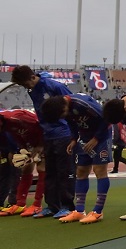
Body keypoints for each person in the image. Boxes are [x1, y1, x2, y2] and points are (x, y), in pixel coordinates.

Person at [10, 66, 74, 219]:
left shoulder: (54, 86)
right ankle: (52, 206)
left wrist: (73, 134)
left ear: (32, 77)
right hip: (48, 135)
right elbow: (40, 115)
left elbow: (72, 106)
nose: (25, 87)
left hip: (63, 133)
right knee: (49, 172)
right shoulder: (32, 90)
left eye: (26, 83)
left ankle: (68, 206)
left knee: (63, 172)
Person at [40, 93, 112, 224]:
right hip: (84, 138)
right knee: (81, 172)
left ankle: (98, 212)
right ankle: (79, 211)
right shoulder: (63, 109)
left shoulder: (83, 103)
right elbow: (72, 124)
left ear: (63, 107)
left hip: (101, 137)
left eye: (62, 115)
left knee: (99, 170)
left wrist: (96, 139)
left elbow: (106, 119)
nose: (63, 117)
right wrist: (74, 139)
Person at [0, 109, 45, 217]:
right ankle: (20, 204)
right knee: (26, 167)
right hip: (28, 141)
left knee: (42, 168)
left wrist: (40, 146)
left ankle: (37, 204)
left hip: (44, 138)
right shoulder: (6, 125)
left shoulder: (18, 118)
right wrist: (23, 148)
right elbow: (16, 134)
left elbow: (42, 127)